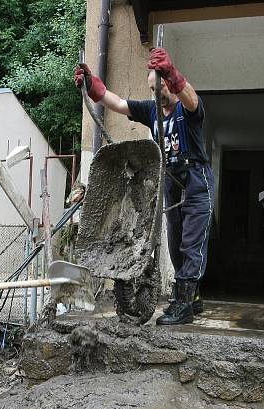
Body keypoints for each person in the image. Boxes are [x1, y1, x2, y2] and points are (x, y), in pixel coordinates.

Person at [75, 48, 215, 325]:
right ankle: (194, 297)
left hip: (197, 181)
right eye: (152, 89)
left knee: (192, 244)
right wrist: (92, 87)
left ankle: (184, 305)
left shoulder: (188, 110)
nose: (155, 95)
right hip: (171, 181)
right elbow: (116, 103)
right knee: (176, 245)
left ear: (169, 85)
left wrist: (172, 74)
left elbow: (192, 99)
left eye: (159, 88)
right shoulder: (151, 109)